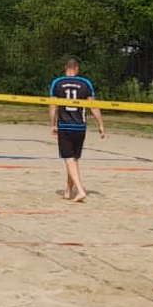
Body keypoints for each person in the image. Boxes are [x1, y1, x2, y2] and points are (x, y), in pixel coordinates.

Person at [49, 59, 106, 203]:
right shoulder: (85, 83)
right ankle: (68, 191)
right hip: (80, 126)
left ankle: (80, 190)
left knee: (68, 159)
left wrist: (52, 124)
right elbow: (93, 105)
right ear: (77, 68)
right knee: (73, 159)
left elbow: (53, 106)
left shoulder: (57, 82)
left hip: (65, 126)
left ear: (65, 68)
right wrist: (101, 124)